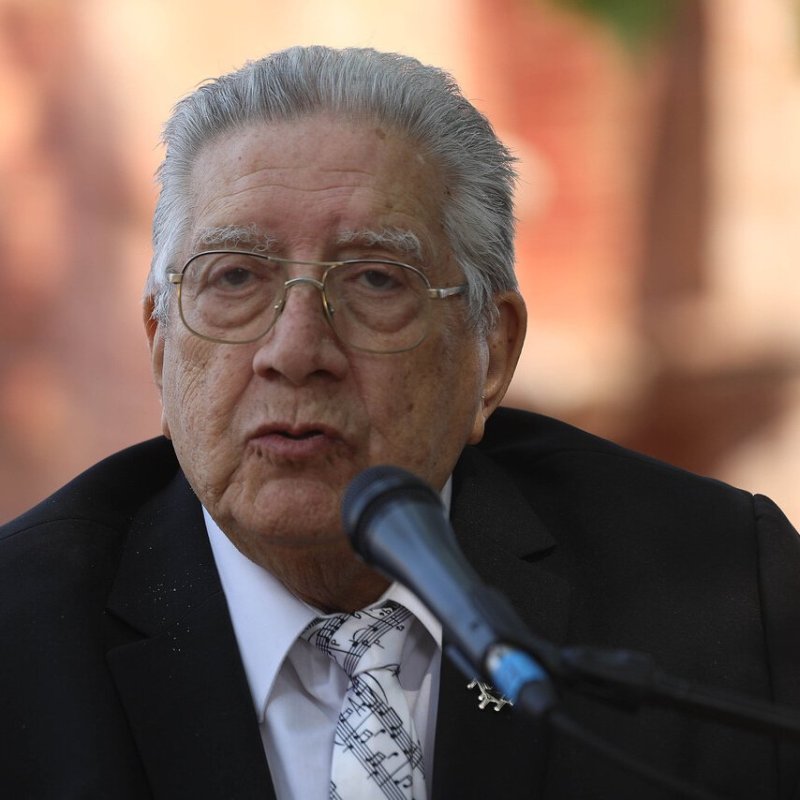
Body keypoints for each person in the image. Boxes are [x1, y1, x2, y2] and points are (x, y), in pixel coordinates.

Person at [1, 45, 799, 800]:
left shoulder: (723, 590)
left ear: (491, 355)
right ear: (160, 346)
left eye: (376, 280)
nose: (296, 351)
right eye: (235, 277)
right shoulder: (22, 636)